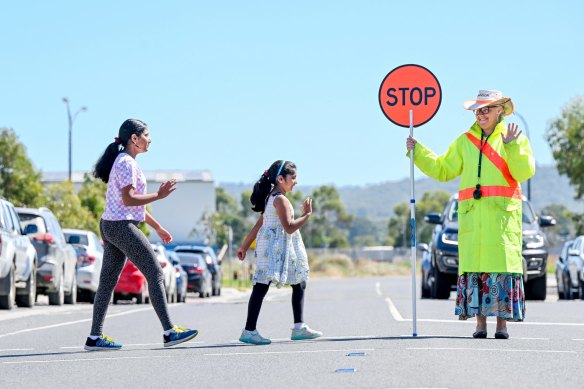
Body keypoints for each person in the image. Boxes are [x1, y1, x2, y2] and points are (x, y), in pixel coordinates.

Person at [406, 90, 535, 339]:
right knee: (476, 271)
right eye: (478, 110)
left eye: (486, 109)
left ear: (500, 111)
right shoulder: (465, 141)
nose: (481, 114)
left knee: (501, 271)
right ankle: (479, 325)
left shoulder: (513, 138)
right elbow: (443, 169)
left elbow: (524, 172)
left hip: (500, 221)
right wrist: (418, 151)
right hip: (472, 221)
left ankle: (502, 326)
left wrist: (512, 147)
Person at [84, 119, 198, 351]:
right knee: (155, 272)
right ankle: (169, 331)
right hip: (121, 227)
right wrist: (159, 195)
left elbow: (133, 206)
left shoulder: (125, 161)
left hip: (112, 224)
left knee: (107, 283)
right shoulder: (126, 163)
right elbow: (129, 199)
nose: (150, 139)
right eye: (146, 135)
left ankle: (94, 337)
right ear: (134, 139)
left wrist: (157, 227)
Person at [236, 160, 322, 345]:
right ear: (281, 179)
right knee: (261, 286)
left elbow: (259, 224)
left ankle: (299, 327)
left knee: (299, 281)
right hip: (273, 249)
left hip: (280, 248)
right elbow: (289, 227)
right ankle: (249, 330)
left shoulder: (272, 198)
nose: (296, 181)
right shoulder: (279, 199)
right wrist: (307, 215)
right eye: (294, 177)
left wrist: (244, 245)